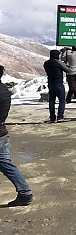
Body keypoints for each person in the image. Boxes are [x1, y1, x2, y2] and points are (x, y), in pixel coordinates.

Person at [0, 65, 33, 207]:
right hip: (2, 132)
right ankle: (25, 193)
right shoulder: (4, 90)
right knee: (6, 164)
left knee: (6, 164)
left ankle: (25, 193)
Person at [43, 49, 69, 123]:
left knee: (51, 101)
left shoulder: (46, 63)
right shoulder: (59, 63)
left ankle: (52, 117)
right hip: (59, 83)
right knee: (62, 100)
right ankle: (60, 116)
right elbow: (68, 70)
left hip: (50, 83)